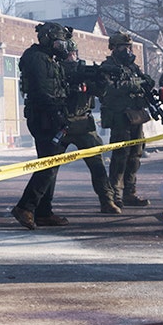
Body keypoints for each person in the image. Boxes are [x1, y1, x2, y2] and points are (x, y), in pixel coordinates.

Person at [11, 22, 72, 230]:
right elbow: (44, 91)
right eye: (58, 42)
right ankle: (25, 207)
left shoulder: (48, 59)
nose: (61, 46)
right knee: (47, 165)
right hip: (44, 116)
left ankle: (44, 212)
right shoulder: (36, 58)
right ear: (48, 39)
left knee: (51, 165)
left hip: (50, 115)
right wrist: (57, 115)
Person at [60, 40, 123, 214]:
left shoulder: (84, 71)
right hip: (61, 124)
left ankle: (107, 200)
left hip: (83, 124)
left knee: (97, 165)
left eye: (73, 54)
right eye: (68, 55)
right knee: (49, 168)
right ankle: (41, 206)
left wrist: (100, 81)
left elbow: (100, 92)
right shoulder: (56, 71)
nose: (71, 58)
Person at [99, 31, 156, 208]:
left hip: (136, 115)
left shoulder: (133, 67)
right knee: (120, 156)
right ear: (114, 48)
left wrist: (147, 81)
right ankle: (115, 194)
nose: (128, 50)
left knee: (135, 154)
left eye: (129, 47)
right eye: (124, 47)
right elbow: (110, 89)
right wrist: (135, 83)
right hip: (119, 116)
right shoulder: (107, 67)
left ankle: (130, 192)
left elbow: (143, 82)